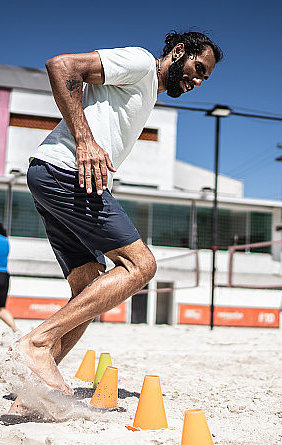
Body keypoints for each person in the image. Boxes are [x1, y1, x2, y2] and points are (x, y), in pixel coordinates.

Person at [12, 31, 222, 406]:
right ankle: (39, 341)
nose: (198, 80)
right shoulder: (141, 64)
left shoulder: (148, 92)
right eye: (197, 68)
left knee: (88, 289)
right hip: (66, 172)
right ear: (178, 52)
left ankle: (33, 391)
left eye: (205, 78)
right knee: (140, 265)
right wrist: (84, 140)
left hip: (55, 174)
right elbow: (61, 66)